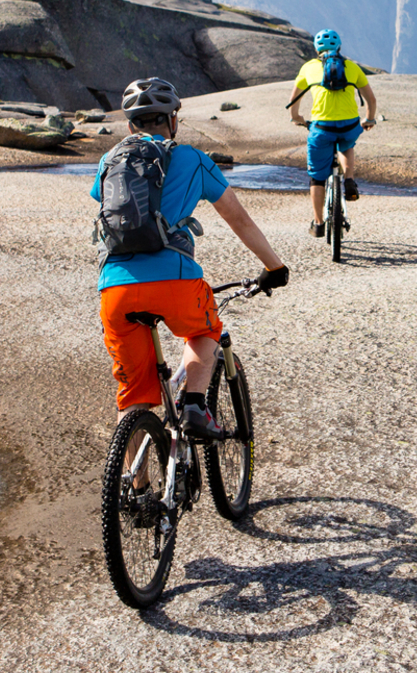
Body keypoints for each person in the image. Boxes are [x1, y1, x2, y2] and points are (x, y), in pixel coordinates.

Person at [92, 77, 287, 439]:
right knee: (204, 331)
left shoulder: (109, 160)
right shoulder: (192, 159)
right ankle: (195, 405)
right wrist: (274, 267)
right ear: (173, 120)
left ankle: (140, 490)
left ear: (131, 124)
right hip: (174, 281)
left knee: (133, 399)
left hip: (115, 287)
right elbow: (238, 219)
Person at [288, 29, 380, 237]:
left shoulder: (309, 67)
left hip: (321, 127)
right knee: (346, 144)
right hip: (349, 125)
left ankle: (319, 223)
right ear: (339, 47)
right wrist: (370, 119)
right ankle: (349, 178)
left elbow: (294, 102)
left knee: (317, 178)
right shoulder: (352, 67)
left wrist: (297, 118)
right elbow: (371, 100)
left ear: (317, 49)